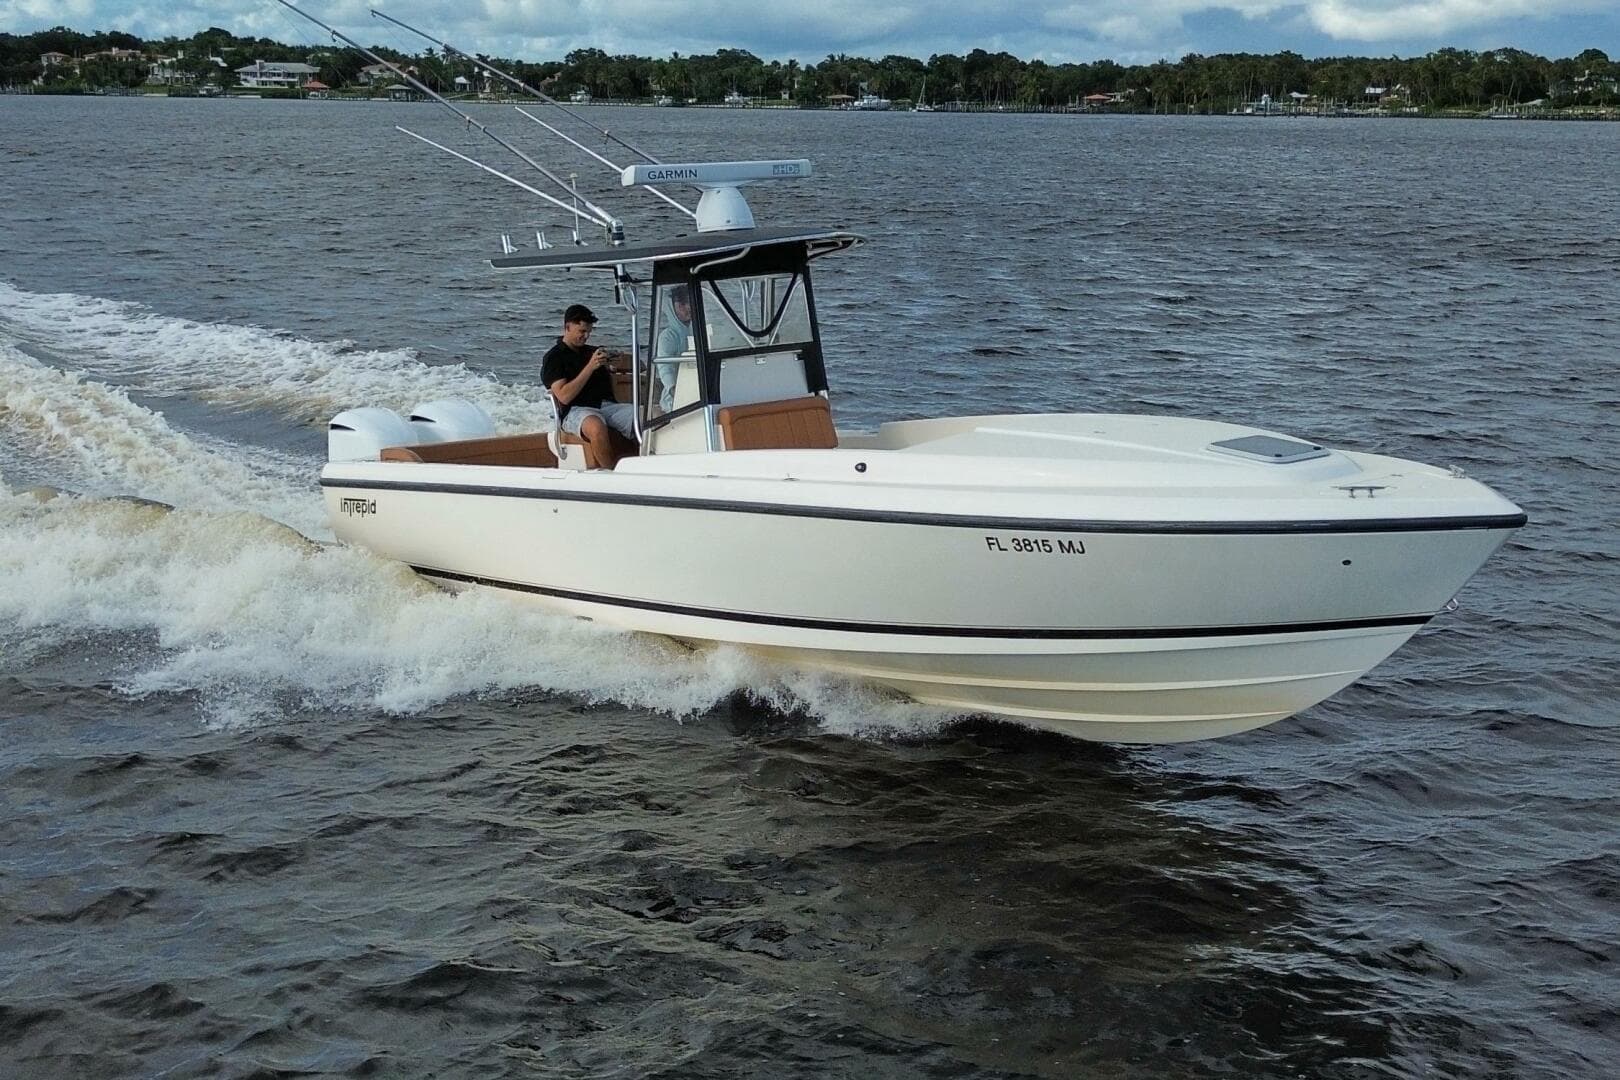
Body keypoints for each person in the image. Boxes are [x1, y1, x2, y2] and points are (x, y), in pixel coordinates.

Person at [541, 303, 637, 469]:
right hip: (575, 410)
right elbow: (564, 396)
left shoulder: (591, 352)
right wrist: (590, 367)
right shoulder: (554, 358)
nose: (586, 336)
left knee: (644, 417)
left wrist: (615, 361)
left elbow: (637, 365)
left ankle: (643, 462)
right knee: (596, 427)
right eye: (582, 332)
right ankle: (613, 474)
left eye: (589, 332)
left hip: (606, 405)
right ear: (567, 327)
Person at [653, 285, 694, 411]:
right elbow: (664, 368)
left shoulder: (701, 330)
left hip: (698, 389)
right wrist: (674, 391)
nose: (686, 307)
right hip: (674, 400)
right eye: (681, 304)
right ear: (671, 307)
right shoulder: (667, 336)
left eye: (688, 302)